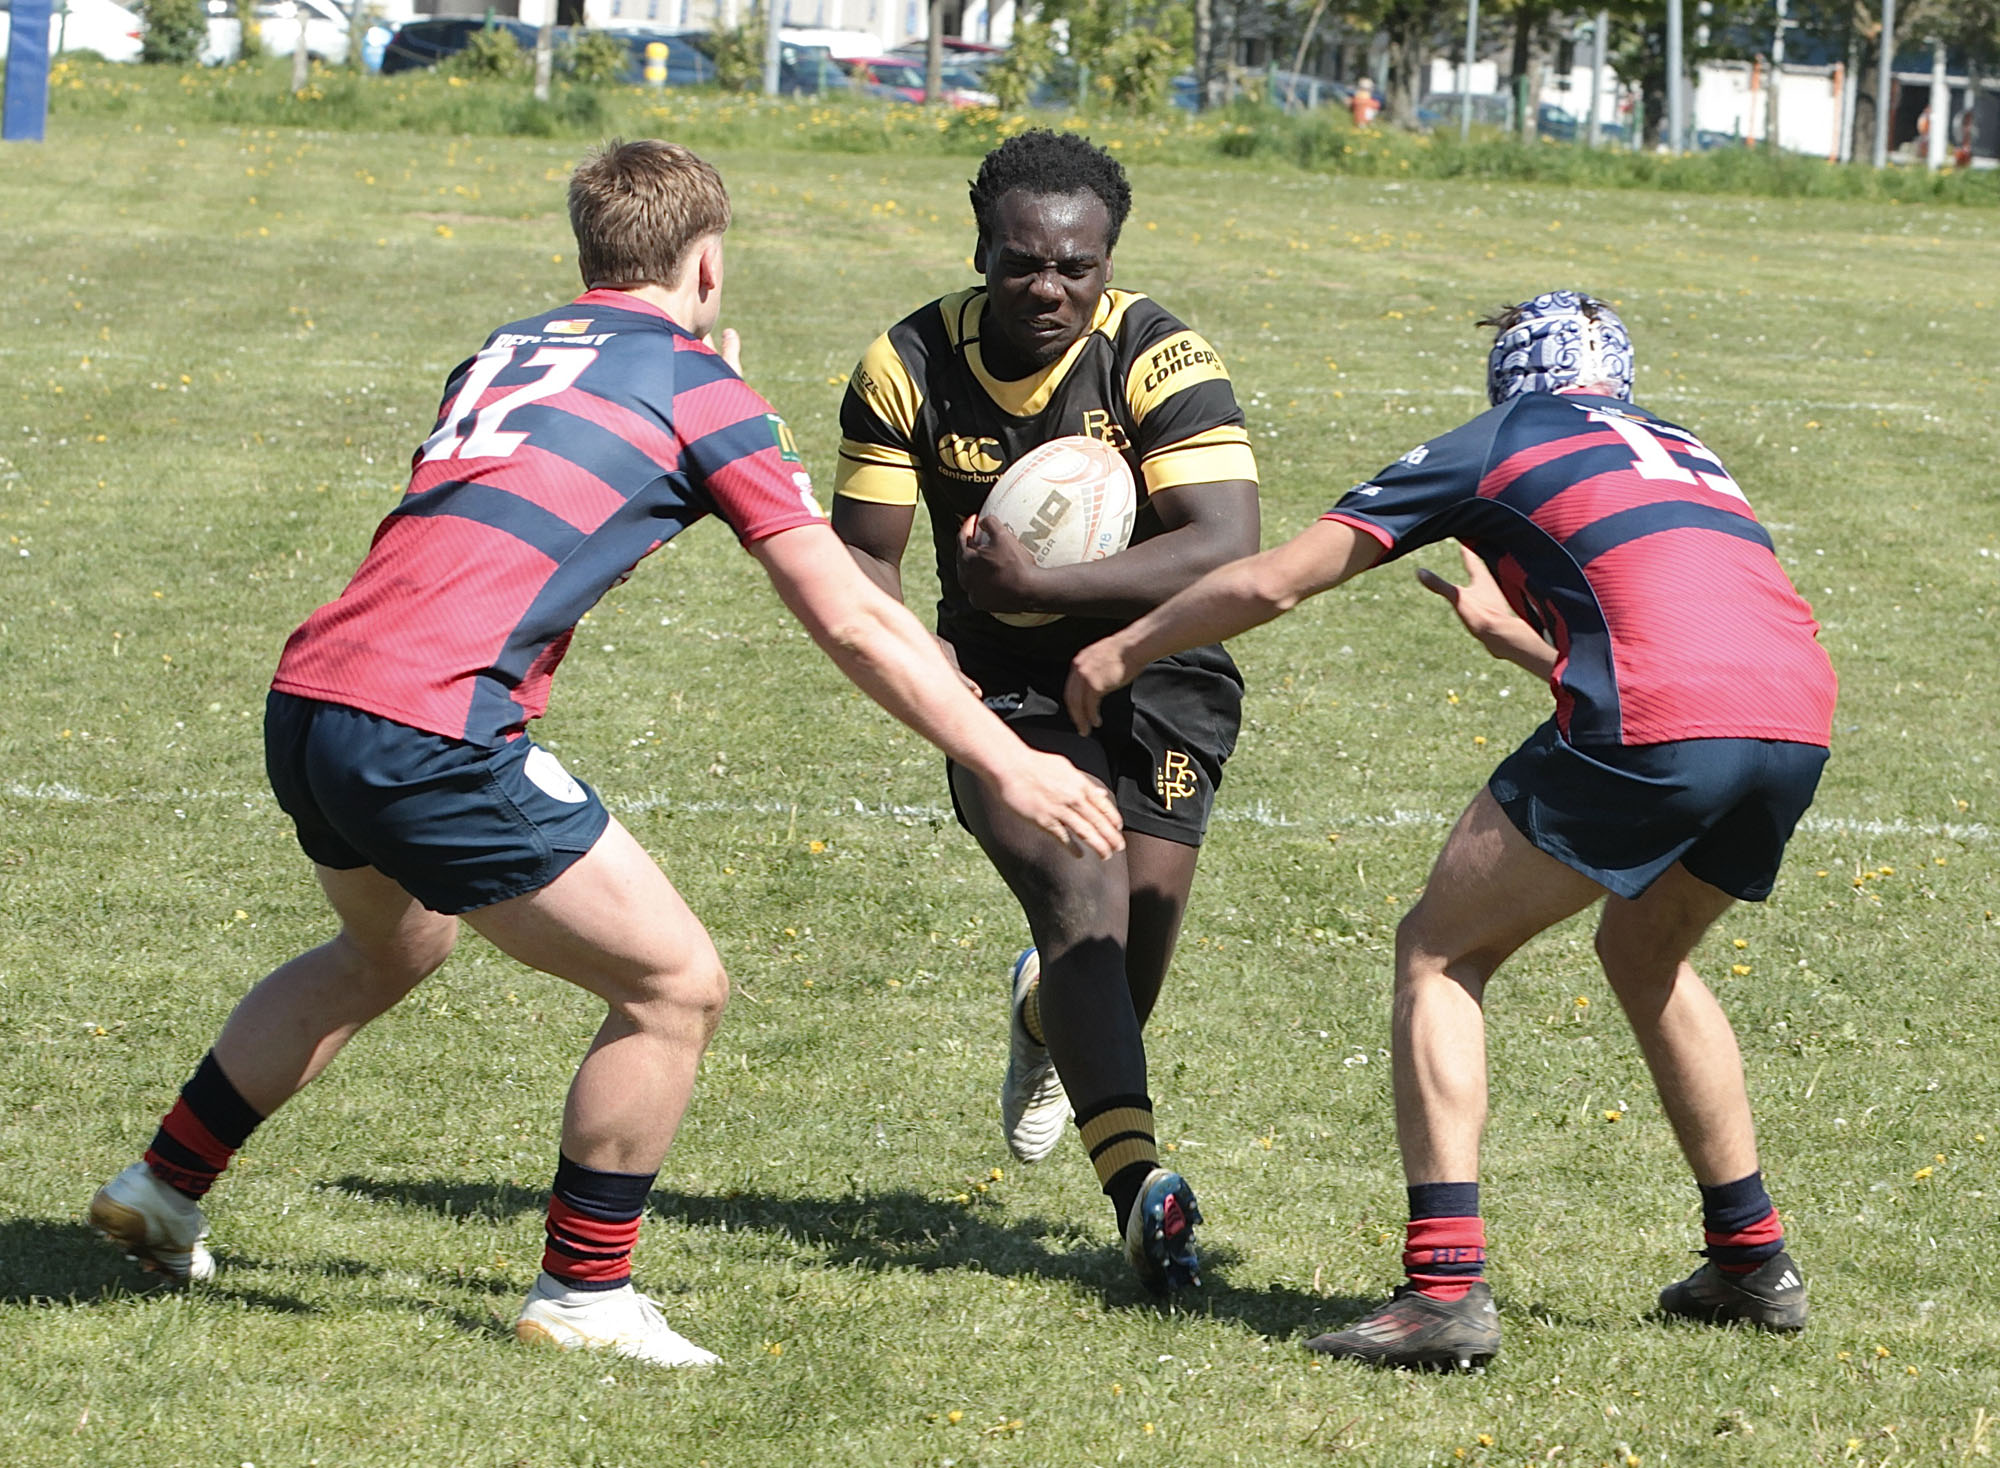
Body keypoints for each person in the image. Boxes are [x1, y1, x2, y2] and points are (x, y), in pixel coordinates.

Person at [88, 139, 1123, 1370]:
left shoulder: (507, 348)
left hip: (314, 696)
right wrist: (1008, 758)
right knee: (674, 986)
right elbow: (849, 614)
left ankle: (165, 1183)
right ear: (708, 264)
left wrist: (698, 386)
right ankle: (584, 1292)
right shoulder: (700, 390)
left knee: (392, 943)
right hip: (432, 726)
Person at [1067, 290, 1836, 1365]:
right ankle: (1752, 1260)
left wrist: (1119, 650)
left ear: (1509, 380)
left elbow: (1276, 582)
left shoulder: (1496, 441)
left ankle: (1442, 1290)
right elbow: (1691, 628)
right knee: (1645, 952)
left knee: (1438, 951)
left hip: (1663, 721)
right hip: (1795, 717)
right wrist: (1516, 641)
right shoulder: (1687, 452)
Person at [830, 129, 1261, 1295]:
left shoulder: (1155, 355)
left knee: (1128, 953)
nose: (1048, 288)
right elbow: (860, 555)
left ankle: (1039, 1015)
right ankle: (1143, 1197)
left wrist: (1043, 583)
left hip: (1161, 668)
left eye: (1076, 265)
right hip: (998, 684)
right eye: (1022, 262)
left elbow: (1224, 541)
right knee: (1083, 895)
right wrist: (921, 654)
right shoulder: (906, 365)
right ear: (982, 251)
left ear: (1106, 260)